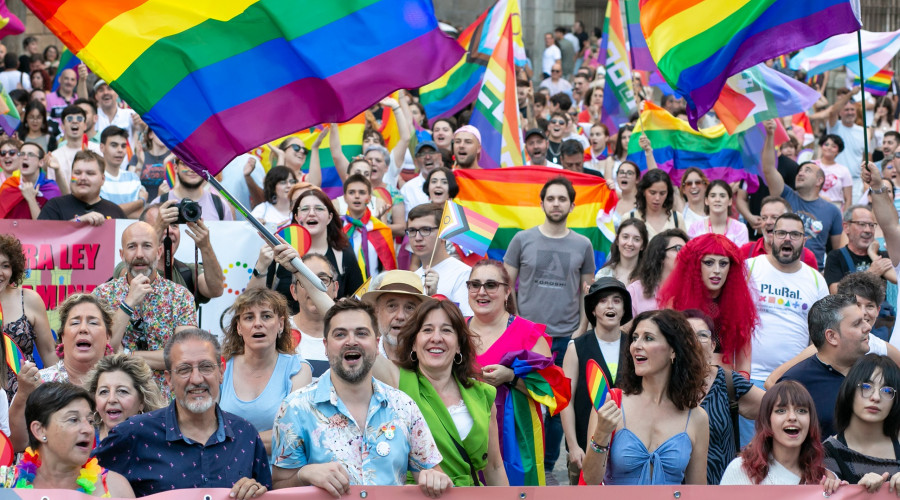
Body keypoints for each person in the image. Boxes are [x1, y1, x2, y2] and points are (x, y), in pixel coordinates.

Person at [270, 298, 452, 497]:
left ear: (375, 344)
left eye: (361, 333)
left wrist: (435, 478)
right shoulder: (295, 408)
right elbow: (279, 488)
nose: (351, 341)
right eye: (340, 334)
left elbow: (432, 473)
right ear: (326, 346)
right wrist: (304, 474)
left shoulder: (404, 405)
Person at [94, 329, 271, 498]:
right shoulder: (134, 433)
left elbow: (268, 492)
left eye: (206, 367)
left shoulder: (246, 435)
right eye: (184, 369)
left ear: (221, 372)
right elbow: (81, 478)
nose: (196, 379)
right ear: (169, 379)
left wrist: (256, 491)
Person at [377, 298, 508, 486]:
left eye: (446, 330)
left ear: (459, 346)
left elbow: (494, 468)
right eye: (427, 330)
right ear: (414, 343)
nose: (436, 338)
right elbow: (352, 338)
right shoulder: (396, 380)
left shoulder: (483, 394)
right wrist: (318, 288)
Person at [466, 259, 568, 485]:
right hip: (464, 438)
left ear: (507, 291)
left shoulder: (527, 333)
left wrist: (511, 378)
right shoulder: (454, 330)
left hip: (514, 442)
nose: (481, 292)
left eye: (491, 285)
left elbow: (555, 393)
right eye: (475, 285)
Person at [582, 309, 710, 485]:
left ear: (673, 350)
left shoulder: (697, 418)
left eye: (648, 338)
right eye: (635, 338)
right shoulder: (610, 403)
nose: (636, 345)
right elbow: (590, 480)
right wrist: (602, 433)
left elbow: (698, 491)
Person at [92, 221, 197, 394]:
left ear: (159, 252)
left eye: (147, 246)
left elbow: (183, 355)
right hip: (116, 399)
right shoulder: (102, 294)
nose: (139, 254)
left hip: (166, 401)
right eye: (132, 247)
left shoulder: (180, 296)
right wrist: (128, 303)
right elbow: (101, 350)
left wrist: (126, 355)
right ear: (122, 254)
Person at [8, 294, 113, 451]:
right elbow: (17, 444)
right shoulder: (40, 382)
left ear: (108, 337)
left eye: (93, 322)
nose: (83, 329)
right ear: (62, 336)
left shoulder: (123, 382)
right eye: (75, 322)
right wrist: (23, 394)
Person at [220, 288, 311, 452]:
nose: (257, 323)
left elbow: (294, 434)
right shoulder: (222, 367)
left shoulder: (298, 370)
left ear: (281, 324)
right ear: (239, 328)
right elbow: (205, 429)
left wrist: (233, 442)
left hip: (278, 474)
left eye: (266, 316)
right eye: (249, 318)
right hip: (226, 472)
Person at [561, 277, 632, 484]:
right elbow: (566, 401)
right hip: (585, 448)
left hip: (626, 451)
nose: (610, 305)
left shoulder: (635, 348)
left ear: (624, 308)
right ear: (593, 309)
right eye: (602, 300)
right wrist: (573, 446)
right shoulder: (577, 347)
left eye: (617, 300)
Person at [747, 213, 829, 390]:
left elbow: (820, 338)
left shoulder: (816, 280)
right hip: (749, 378)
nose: (787, 239)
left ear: (804, 240)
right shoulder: (749, 268)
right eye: (781, 233)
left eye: (795, 235)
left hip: (794, 380)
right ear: (772, 236)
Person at [658, 234, 757, 375]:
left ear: (731, 268)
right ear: (696, 265)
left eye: (723, 263)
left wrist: (736, 390)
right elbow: (666, 354)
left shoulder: (739, 305)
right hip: (684, 381)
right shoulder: (675, 303)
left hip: (725, 383)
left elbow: (744, 365)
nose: (717, 270)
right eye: (709, 262)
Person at [685, 309, 764, 485]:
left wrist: (757, 450)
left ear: (713, 345)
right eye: (686, 335)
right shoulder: (663, 385)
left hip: (721, 488)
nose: (694, 341)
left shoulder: (728, 381)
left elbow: (776, 409)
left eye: (702, 335)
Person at [779, 294, 873, 438]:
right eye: (857, 323)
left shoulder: (875, 372)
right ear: (832, 337)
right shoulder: (796, 383)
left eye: (865, 321)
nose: (868, 327)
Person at [15, 382, 134, 496]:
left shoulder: (115, 488)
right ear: (39, 430)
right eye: (73, 419)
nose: (88, 429)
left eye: (90, 421)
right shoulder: (7, 483)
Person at [719, 380, 840, 491]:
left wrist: (840, 493)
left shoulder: (825, 478)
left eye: (801, 410)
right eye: (781, 411)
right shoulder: (740, 469)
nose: (792, 417)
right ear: (767, 420)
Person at [252, 189, 362, 301]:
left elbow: (358, 300)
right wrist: (261, 266)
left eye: (319, 208)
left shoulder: (344, 254)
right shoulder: (279, 250)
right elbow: (254, 300)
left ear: (330, 217)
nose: (312, 213)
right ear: (296, 217)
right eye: (305, 209)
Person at [761, 119, 842, 269]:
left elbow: (836, 252)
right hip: (781, 266)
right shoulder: (785, 195)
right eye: (800, 171)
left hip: (813, 270)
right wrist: (770, 135)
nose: (800, 173)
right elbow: (768, 169)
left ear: (819, 181)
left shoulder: (833, 211)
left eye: (807, 171)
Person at [111, 201, 225, 307]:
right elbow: (130, 278)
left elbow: (216, 289)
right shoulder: (129, 266)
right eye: (161, 224)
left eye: (174, 225)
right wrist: (157, 230)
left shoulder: (188, 272)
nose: (169, 231)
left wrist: (205, 247)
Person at [823, 354, 900, 486]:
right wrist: (859, 492)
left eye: (886, 390)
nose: (876, 397)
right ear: (849, 390)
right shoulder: (827, 453)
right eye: (866, 387)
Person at [0, 233, 56, 398]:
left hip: (26, 398)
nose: (0, 272)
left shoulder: (29, 299)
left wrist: (56, 397)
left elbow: (49, 353)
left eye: (5, 265)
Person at [407, 203, 471, 315]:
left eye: (425, 230)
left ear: (443, 234)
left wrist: (434, 297)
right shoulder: (412, 278)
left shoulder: (464, 274)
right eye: (412, 231)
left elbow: (466, 321)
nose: (417, 238)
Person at [84, 353, 164, 441]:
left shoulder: (156, 444)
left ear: (141, 401)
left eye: (122, 391)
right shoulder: (84, 438)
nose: (111, 399)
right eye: (104, 391)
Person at [361, 269, 430, 363]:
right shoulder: (362, 357)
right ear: (376, 311)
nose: (400, 316)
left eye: (409, 308)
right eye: (392, 306)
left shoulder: (431, 361)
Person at [824, 205, 896, 293]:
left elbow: (896, 278)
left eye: (871, 225)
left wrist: (873, 254)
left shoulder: (882, 256)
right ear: (846, 227)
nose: (868, 230)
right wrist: (870, 274)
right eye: (862, 224)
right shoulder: (836, 256)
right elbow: (835, 292)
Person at [38, 150, 125, 222]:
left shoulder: (116, 212)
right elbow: (41, 238)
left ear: (102, 179)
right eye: (77, 173)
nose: (82, 178)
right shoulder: (54, 207)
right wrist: (78, 222)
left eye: (90, 173)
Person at [341, 174, 396, 280]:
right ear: (345, 198)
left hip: (373, 291)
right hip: (343, 293)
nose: (357, 196)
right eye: (351, 192)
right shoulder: (337, 228)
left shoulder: (381, 230)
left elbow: (388, 269)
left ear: (369, 198)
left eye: (362, 192)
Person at [740, 196, 819, 269]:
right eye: (764, 218)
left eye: (775, 217)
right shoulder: (746, 251)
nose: (768, 222)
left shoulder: (806, 256)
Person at [626, 229, 688, 317]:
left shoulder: (691, 291)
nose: (685, 253)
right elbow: (623, 328)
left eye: (687, 249)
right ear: (660, 255)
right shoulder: (635, 291)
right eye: (678, 248)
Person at [150, 157, 233, 221]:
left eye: (198, 164)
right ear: (175, 168)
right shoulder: (159, 203)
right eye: (186, 164)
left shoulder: (220, 206)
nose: (192, 169)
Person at [49, 105, 103, 189]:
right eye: (69, 119)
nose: (74, 122)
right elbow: (53, 186)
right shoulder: (55, 156)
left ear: (85, 125)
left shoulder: (97, 150)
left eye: (79, 119)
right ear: (63, 126)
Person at [98, 126, 147, 218]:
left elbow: (140, 214)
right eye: (114, 145)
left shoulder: (133, 178)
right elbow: (106, 213)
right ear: (102, 147)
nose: (120, 150)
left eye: (123, 146)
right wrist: (141, 201)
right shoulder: (96, 178)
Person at [828, 88, 866, 199]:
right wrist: (850, 94)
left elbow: (864, 157)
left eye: (852, 110)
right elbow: (832, 112)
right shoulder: (834, 126)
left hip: (855, 181)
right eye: (846, 110)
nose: (850, 112)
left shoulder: (862, 131)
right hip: (836, 179)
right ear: (840, 113)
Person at [687, 180, 749, 247]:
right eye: (713, 196)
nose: (717, 199)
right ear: (706, 201)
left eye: (722, 196)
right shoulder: (695, 228)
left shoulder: (740, 229)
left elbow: (742, 256)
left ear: (730, 201)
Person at [628, 169, 687, 240]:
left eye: (662, 193)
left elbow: (685, 248)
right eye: (652, 193)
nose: (657, 198)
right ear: (643, 191)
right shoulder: (630, 217)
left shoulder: (677, 218)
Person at [595, 218, 647, 284]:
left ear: (643, 245)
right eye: (625, 237)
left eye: (636, 239)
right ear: (617, 240)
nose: (630, 243)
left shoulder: (648, 276)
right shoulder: (604, 274)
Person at [400, 140, 442, 218]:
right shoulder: (408, 189)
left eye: (431, 152)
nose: (427, 157)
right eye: (422, 154)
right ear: (415, 162)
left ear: (440, 157)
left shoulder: (452, 182)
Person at [250, 165, 297, 230]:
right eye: (283, 182)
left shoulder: (300, 209)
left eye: (292, 182)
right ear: (273, 187)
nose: (289, 185)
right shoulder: (262, 210)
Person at [816, 134, 853, 210]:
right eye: (826, 144)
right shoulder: (812, 165)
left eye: (834, 146)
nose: (829, 148)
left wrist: (844, 218)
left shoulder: (844, 170)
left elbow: (848, 199)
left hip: (835, 208)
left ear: (838, 151)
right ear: (821, 147)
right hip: (813, 206)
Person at [612, 161, 640, 227]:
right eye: (621, 172)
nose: (624, 175)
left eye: (629, 173)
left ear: (637, 179)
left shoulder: (643, 204)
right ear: (617, 177)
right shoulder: (612, 203)